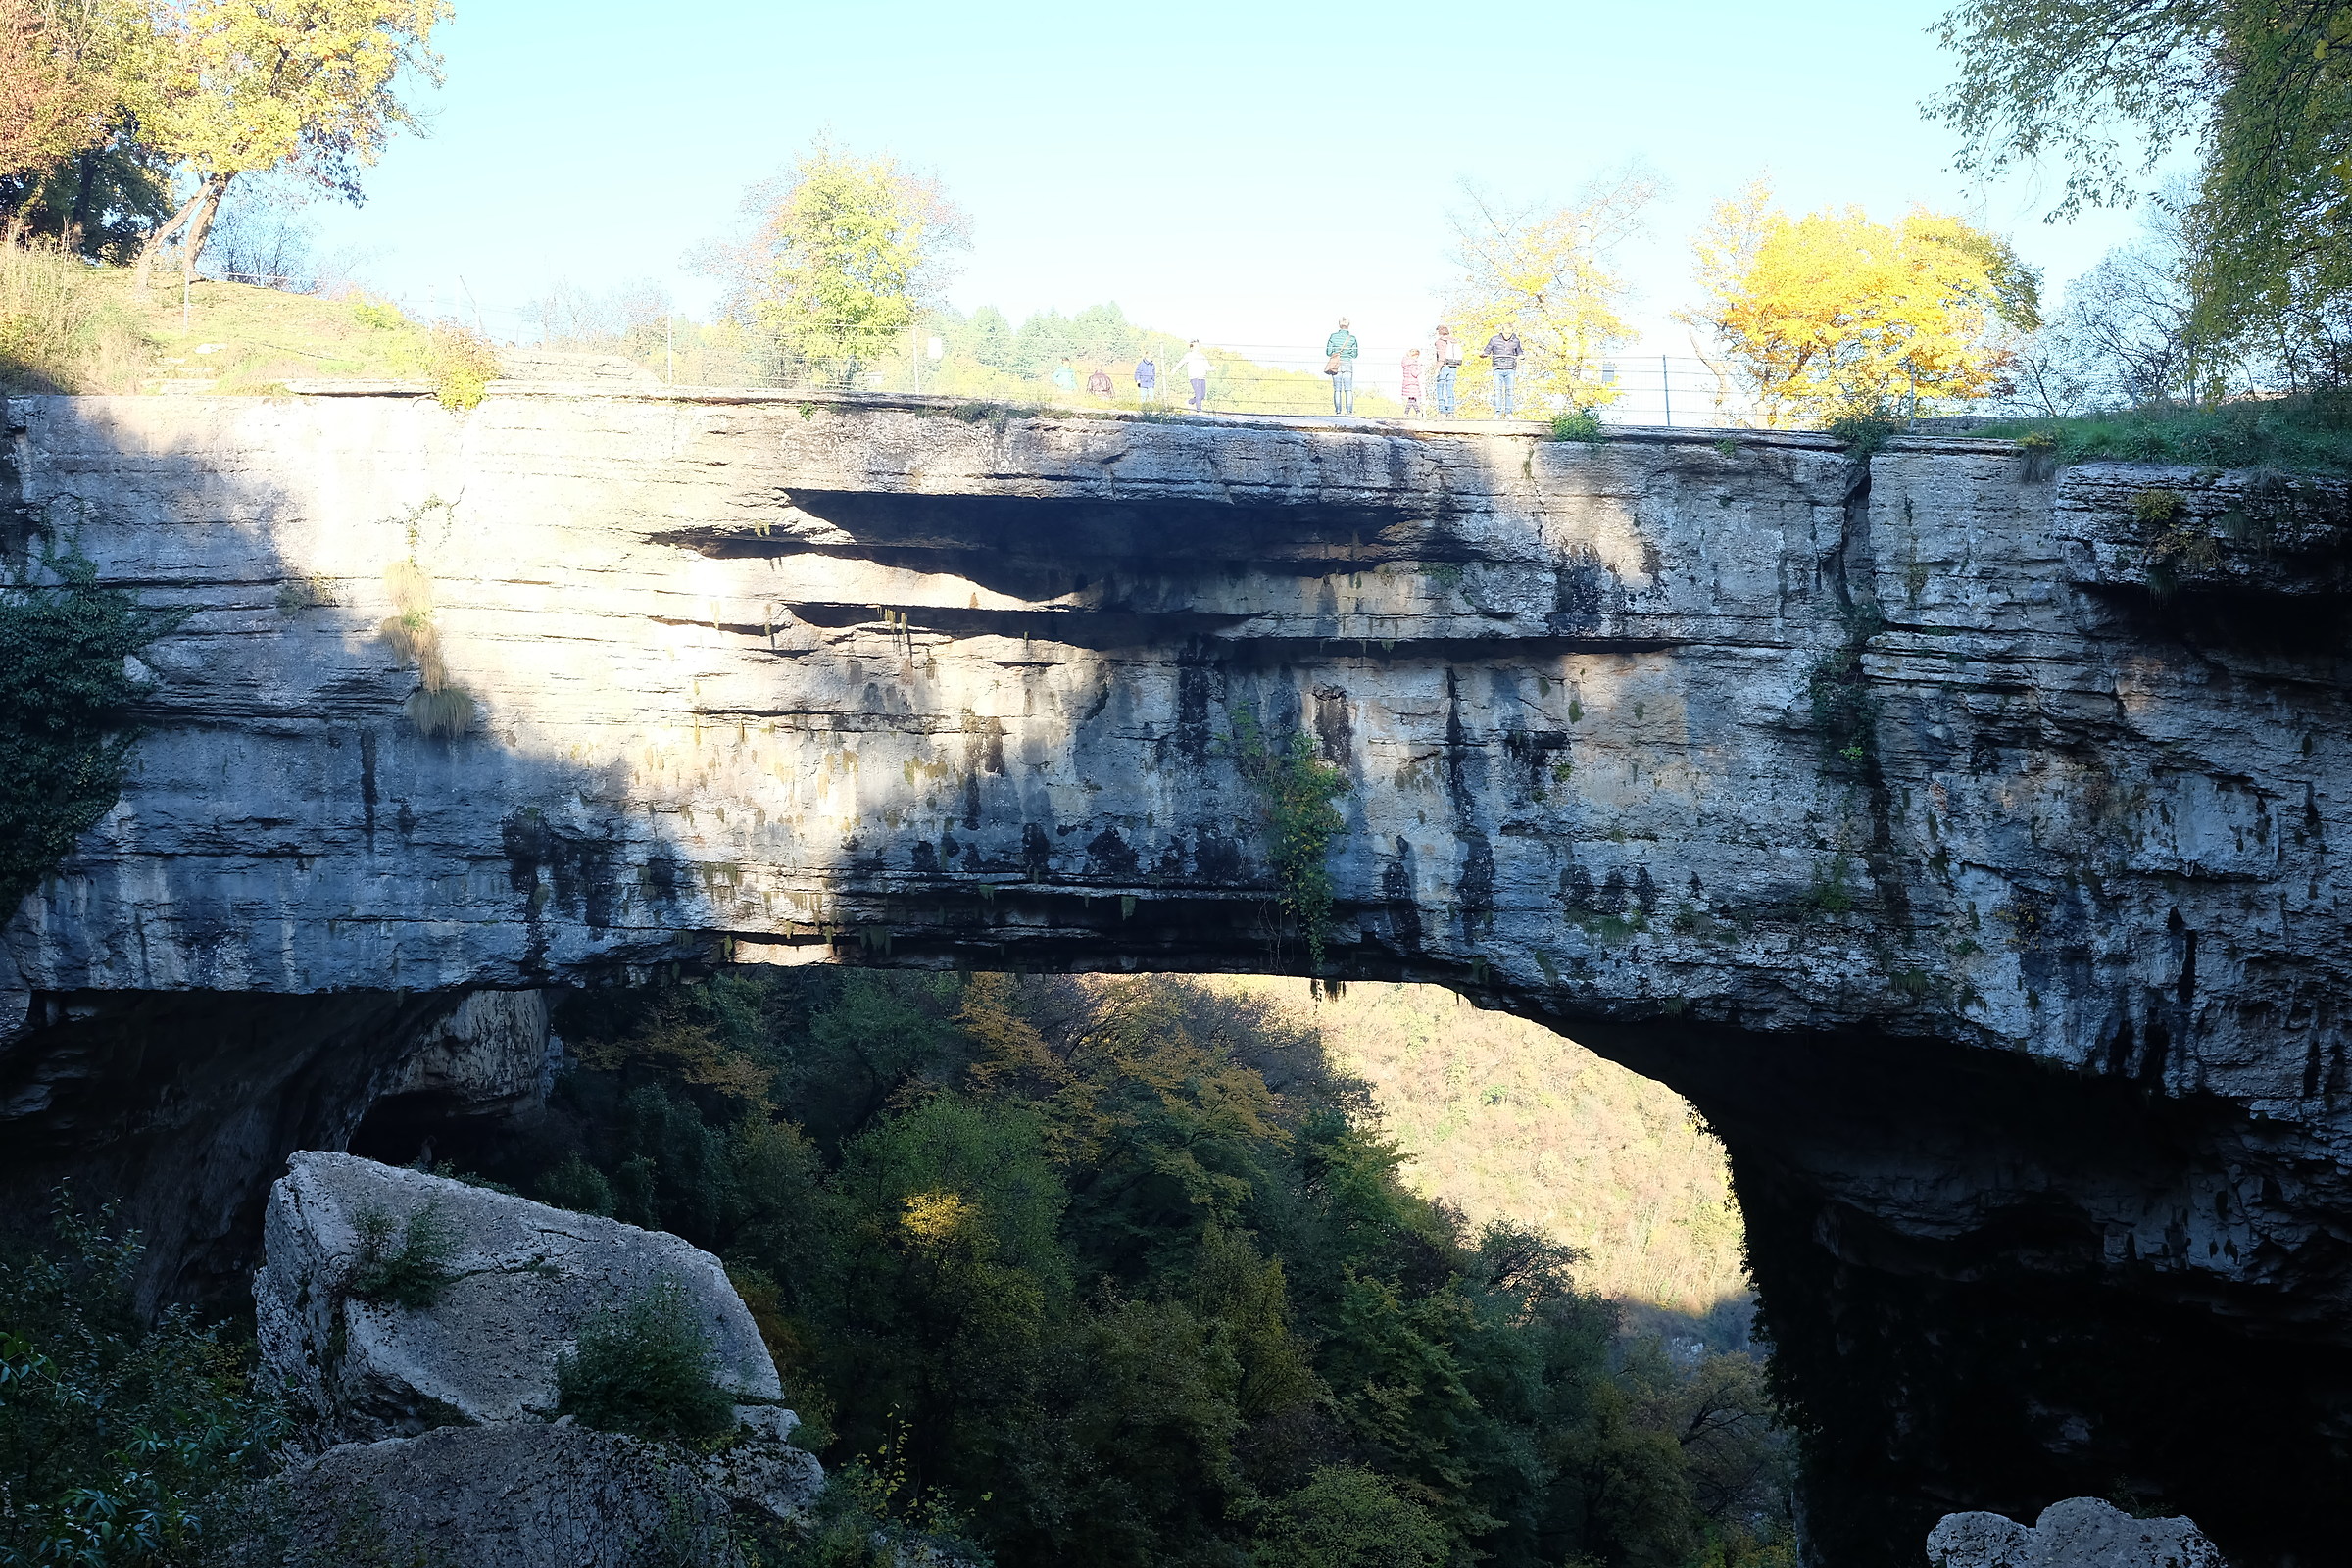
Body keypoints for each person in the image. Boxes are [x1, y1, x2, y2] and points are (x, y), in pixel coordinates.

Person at [1482, 326, 1523, 418]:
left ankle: (1509, 413)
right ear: (1502, 331)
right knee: (1497, 391)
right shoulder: (1494, 339)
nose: (1508, 335)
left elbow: (1520, 352)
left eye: (1510, 333)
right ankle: (1497, 413)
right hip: (1498, 368)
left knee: (1510, 391)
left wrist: (1521, 356)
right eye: (1506, 333)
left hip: (1510, 369)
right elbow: (1486, 351)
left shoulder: (1516, 341)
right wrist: (1483, 354)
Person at [1324, 317, 1360, 415]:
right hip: (1347, 363)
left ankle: (1338, 411)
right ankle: (1349, 412)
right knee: (1348, 389)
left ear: (1339, 325)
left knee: (1337, 390)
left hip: (1336, 364)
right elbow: (1355, 354)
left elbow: (1328, 352)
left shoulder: (1333, 336)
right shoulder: (1352, 339)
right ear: (1348, 325)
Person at [1432, 325, 1462, 416]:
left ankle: (1442, 411)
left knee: (1440, 387)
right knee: (1450, 389)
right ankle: (1451, 411)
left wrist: (1437, 369)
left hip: (1444, 366)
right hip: (1454, 366)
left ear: (1438, 332)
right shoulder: (1453, 341)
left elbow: (1441, 356)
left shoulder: (1439, 342)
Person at [1181, 341, 1211, 412]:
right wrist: (1174, 370)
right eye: (1196, 346)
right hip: (1194, 377)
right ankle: (1199, 410)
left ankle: (1189, 402)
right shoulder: (1188, 355)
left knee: (1202, 395)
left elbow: (1207, 367)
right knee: (1198, 394)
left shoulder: (1202, 356)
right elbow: (1181, 363)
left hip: (1202, 377)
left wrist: (1212, 368)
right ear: (1191, 348)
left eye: (1198, 346)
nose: (1198, 348)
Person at [1399, 348, 1425, 416]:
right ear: (1414, 355)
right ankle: (1416, 412)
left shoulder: (1406, 363)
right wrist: (1420, 368)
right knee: (1412, 398)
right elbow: (1415, 373)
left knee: (1412, 399)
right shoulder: (1413, 364)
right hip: (1413, 383)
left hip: (1407, 382)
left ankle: (1415, 412)